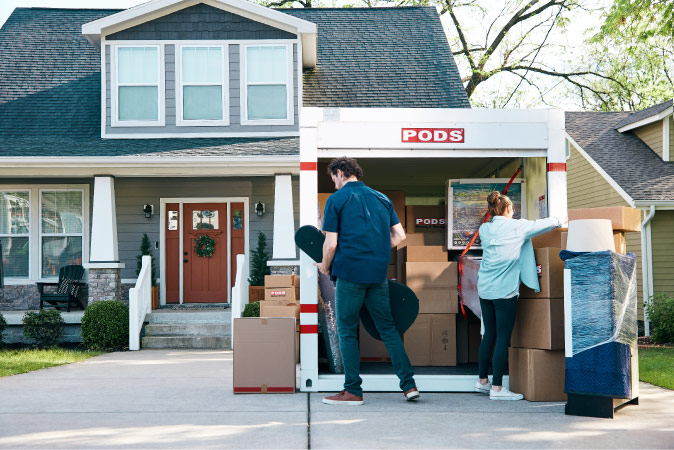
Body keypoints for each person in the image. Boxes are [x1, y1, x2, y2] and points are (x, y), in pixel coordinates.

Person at [317, 156, 419, 405]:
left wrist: (324, 266)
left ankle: (352, 390)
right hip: (377, 276)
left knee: (347, 330)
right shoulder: (382, 198)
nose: (334, 185)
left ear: (340, 172)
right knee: (388, 329)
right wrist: (376, 251)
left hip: (350, 275)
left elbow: (331, 244)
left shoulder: (337, 200)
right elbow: (400, 235)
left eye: (333, 179)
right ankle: (409, 386)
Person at [474, 191, 566, 400]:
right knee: (503, 337)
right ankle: (497, 388)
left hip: (485, 289)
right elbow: (543, 224)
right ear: (508, 209)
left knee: (489, 334)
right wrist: (561, 219)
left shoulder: (485, 229)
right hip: (504, 291)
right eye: (512, 208)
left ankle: (482, 381)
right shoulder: (517, 226)